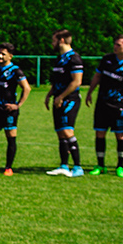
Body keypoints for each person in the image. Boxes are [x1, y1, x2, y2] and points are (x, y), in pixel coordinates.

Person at [85, 35, 123, 177]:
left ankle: (120, 166)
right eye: (115, 44)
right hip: (102, 104)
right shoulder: (107, 59)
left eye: (118, 45)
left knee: (120, 135)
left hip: (119, 106)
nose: (115, 47)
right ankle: (100, 165)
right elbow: (97, 76)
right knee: (100, 134)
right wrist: (90, 92)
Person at [44, 29, 86, 177]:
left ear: (61, 40)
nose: (52, 43)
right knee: (61, 133)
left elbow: (76, 82)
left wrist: (61, 96)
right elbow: (57, 81)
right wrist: (50, 95)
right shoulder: (59, 58)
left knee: (68, 131)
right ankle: (63, 165)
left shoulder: (74, 58)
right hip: (58, 99)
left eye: (53, 40)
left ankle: (78, 167)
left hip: (70, 99)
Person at [0, 43, 32, 176]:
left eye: (3, 54)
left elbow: (27, 88)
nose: (0, 56)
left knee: (10, 138)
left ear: (10, 56)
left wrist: (17, 105)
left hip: (9, 110)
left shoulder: (15, 71)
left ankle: (8, 167)